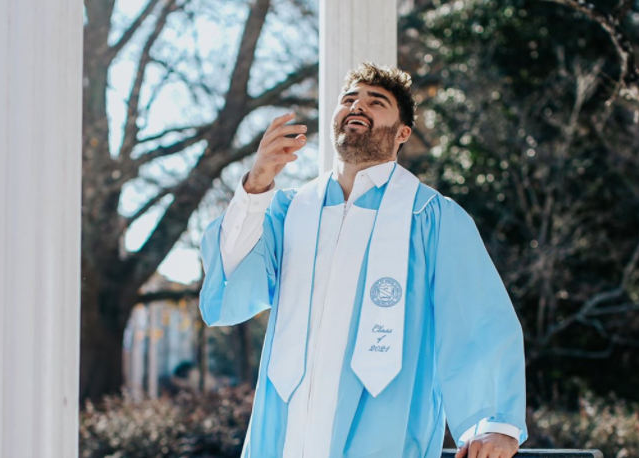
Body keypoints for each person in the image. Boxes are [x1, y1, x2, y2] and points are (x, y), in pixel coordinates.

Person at [199, 62, 527, 458]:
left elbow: (477, 320)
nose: (358, 106)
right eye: (349, 99)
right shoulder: (287, 211)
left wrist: (493, 424)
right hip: (281, 437)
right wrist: (256, 185)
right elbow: (230, 285)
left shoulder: (431, 218)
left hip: (383, 437)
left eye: (376, 101)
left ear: (403, 132)